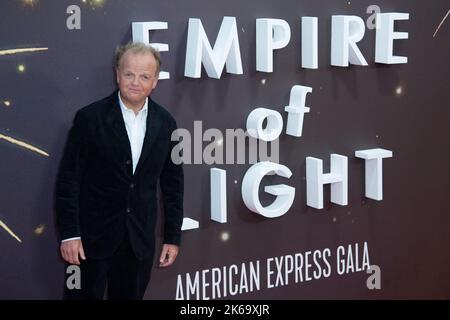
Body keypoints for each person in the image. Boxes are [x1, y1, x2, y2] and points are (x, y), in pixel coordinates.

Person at [55, 42, 184, 300]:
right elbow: (68, 181)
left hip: (138, 242)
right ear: (117, 74)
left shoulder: (167, 123)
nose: (135, 82)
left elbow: (173, 184)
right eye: (129, 74)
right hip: (90, 241)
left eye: (144, 76)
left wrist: (172, 237)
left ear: (155, 81)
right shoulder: (89, 118)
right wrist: (70, 234)